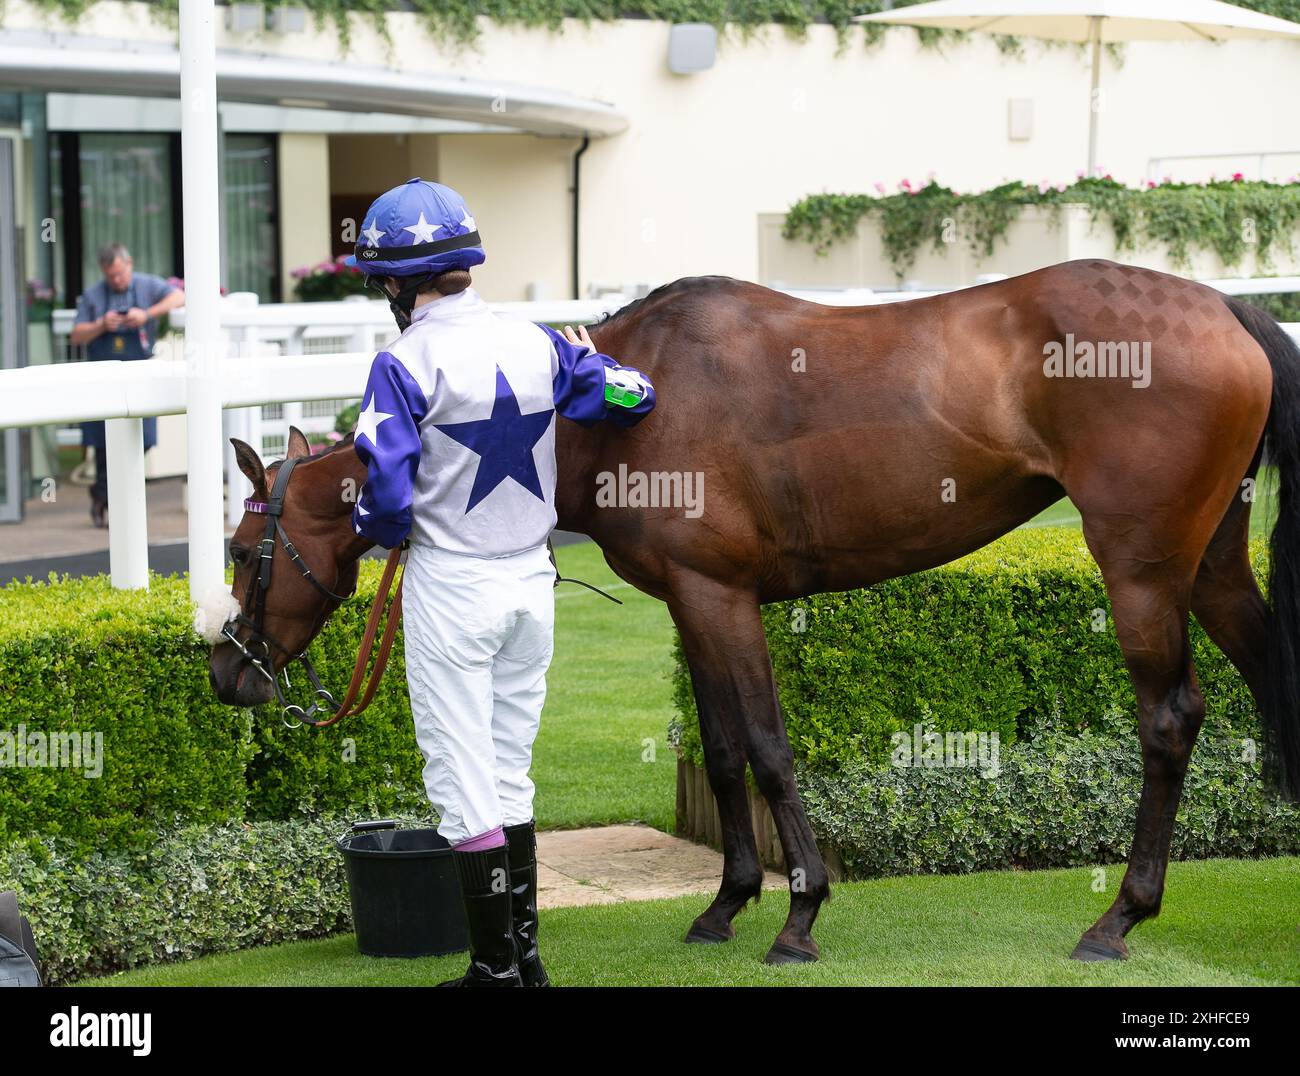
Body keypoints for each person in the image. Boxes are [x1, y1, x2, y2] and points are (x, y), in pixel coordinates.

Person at [345, 178, 655, 987]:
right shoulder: (540, 342)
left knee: (460, 776)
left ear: (394, 283)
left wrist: (373, 535)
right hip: (532, 585)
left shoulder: (401, 363)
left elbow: (383, 497)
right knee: (510, 768)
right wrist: (592, 359)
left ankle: (493, 972)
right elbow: (633, 395)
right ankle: (525, 961)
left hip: (453, 589)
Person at [70, 243, 185, 527]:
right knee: (103, 443)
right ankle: (106, 502)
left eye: (120, 274)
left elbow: (180, 296)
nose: (117, 281)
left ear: (129, 264)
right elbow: (76, 335)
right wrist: (100, 325)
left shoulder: (147, 286)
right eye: (111, 276)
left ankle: (110, 494)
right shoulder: (94, 296)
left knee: (143, 438)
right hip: (104, 376)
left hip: (139, 373)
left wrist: (147, 314)